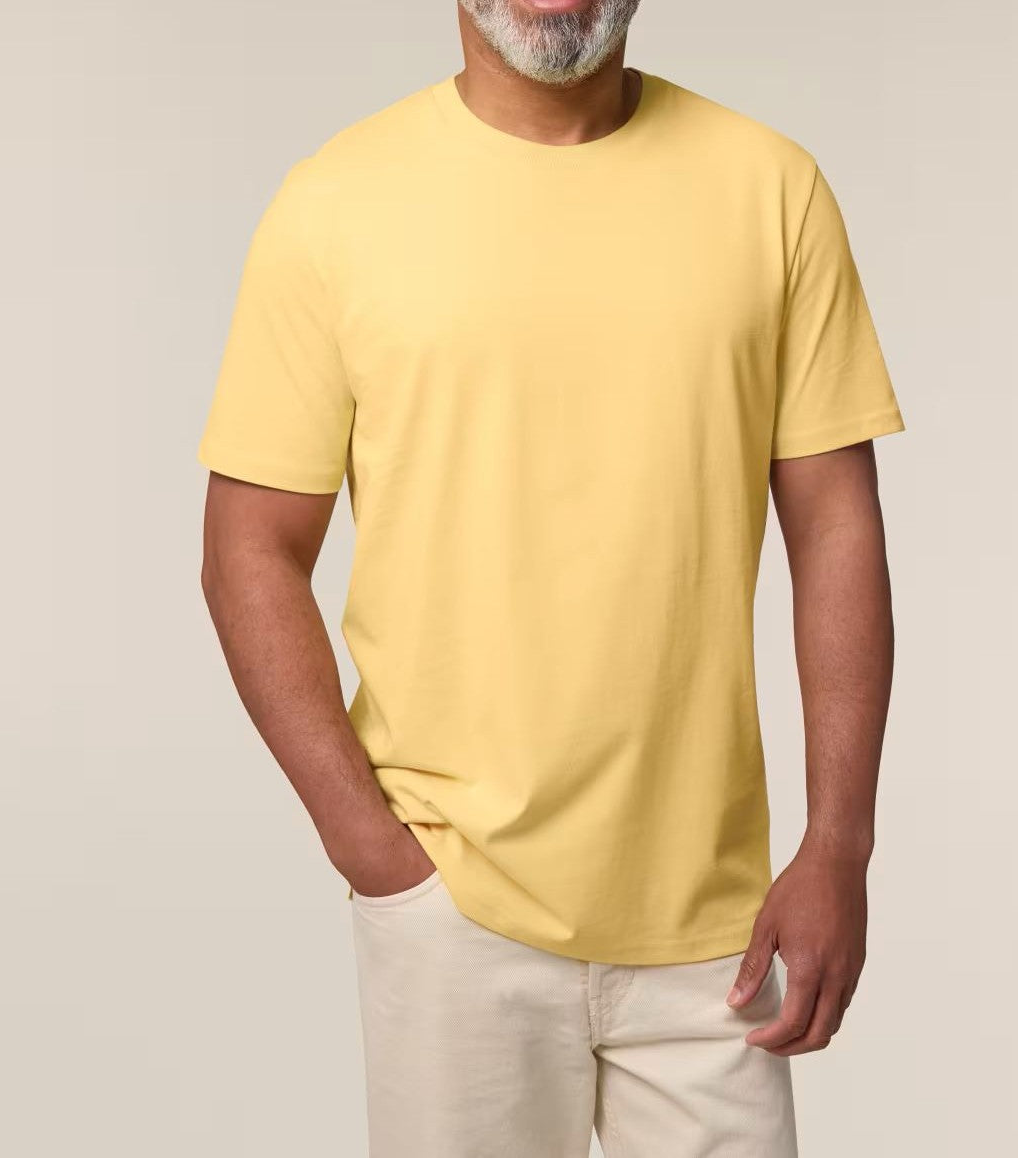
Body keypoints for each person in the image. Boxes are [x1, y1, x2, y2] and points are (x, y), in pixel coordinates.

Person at [196, 1, 905, 1153]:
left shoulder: (772, 189)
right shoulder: (336, 205)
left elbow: (836, 525)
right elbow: (248, 548)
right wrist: (374, 852)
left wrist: (839, 848)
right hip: (453, 904)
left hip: (717, 929)